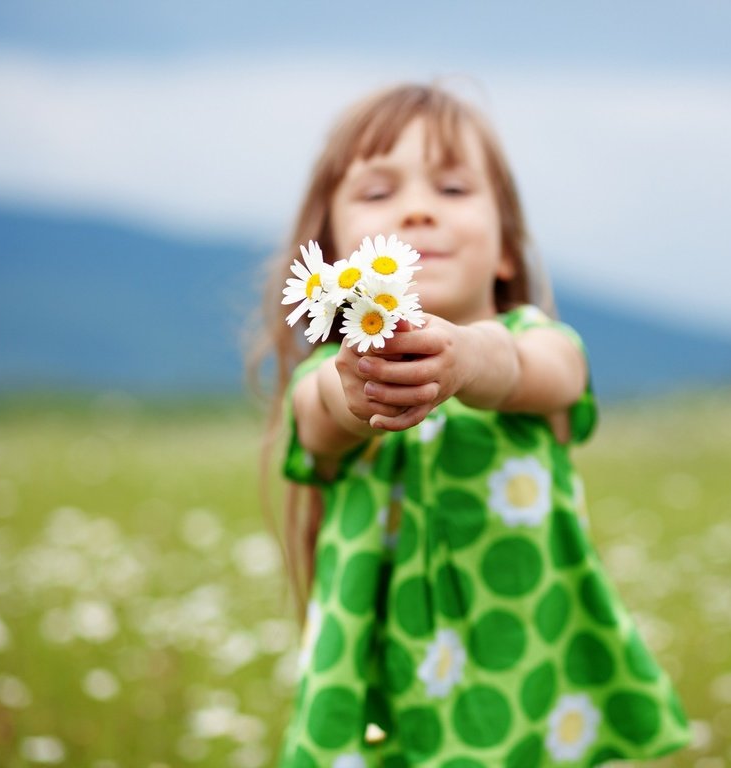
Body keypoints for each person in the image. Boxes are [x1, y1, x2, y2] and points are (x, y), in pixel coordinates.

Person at [256, 83, 690, 767]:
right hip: (380, 696)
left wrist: (469, 357)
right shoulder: (328, 375)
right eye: (377, 194)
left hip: (526, 682)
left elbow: (539, 372)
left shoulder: (537, 343)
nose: (418, 210)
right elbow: (322, 418)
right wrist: (362, 386)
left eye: (453, 189)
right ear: (334, 256)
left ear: (507, 252)